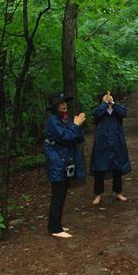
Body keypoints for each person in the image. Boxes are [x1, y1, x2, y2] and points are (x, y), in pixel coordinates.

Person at [44, 91, 86, 239]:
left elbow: (78, 138)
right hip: (57, 162)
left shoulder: (65, 119)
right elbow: (65, 137)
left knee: (62, 194)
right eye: (60, 103)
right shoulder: (52, 121)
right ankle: (55, 228)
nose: (63, 104)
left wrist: (78, 126)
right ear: (54, 106)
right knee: (58, 195)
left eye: (64, 102)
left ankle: (57, 224)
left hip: (66, 161)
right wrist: (75, 125)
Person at [89, 91, 131, 205]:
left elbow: (124, 112)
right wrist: (104, 104)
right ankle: (98, 195)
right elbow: (96, 113)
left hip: (116, 143)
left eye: (110, 96)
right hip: (102, 144)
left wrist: (113, 104)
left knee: (117, 168)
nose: (108, 98)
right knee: (99, 169)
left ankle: (118, 192)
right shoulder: (100, 110)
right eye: (106, 97)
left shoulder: (117, 110)